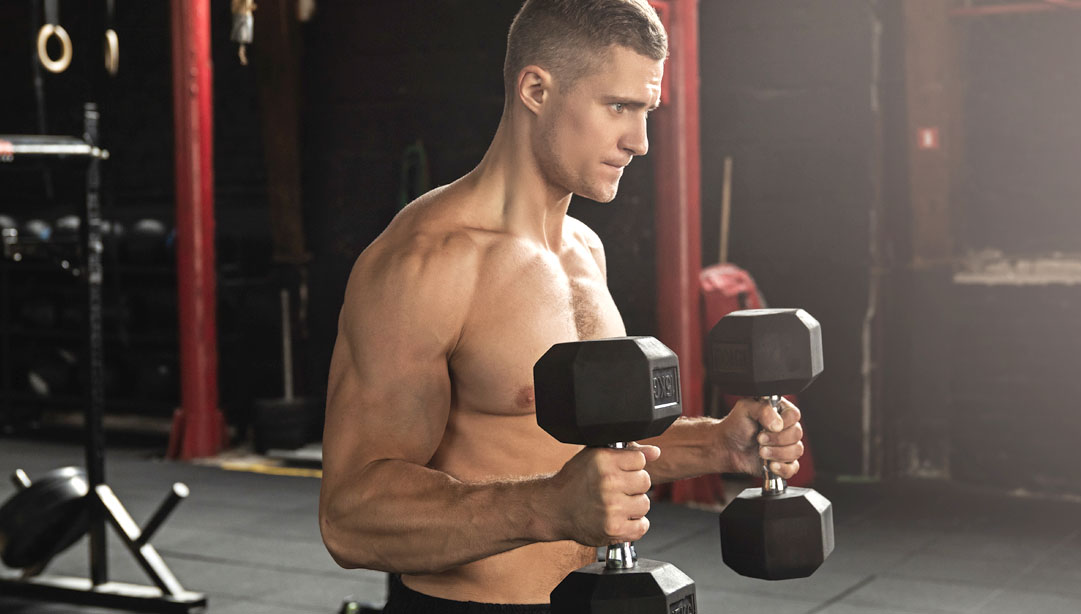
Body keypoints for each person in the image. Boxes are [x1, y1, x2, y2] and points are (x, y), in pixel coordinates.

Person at [318, 0, 806, 611]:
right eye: (619, 107)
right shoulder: (428, 262)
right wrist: (549, 506)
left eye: (647, 111)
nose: (641, 141)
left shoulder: (584, 250)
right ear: (535, 88)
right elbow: (350, 516)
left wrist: (720, 445)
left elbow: (586, 463)